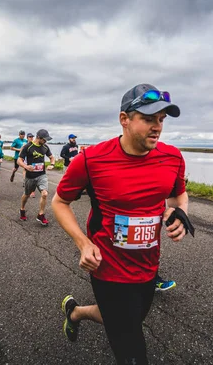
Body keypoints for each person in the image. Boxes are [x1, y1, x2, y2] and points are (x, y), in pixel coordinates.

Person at [52, 84, 189, 364]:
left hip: (148, 265)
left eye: (161, 120)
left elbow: (178, 195)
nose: (157, 127)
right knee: (130, 344)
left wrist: (179, 214)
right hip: (107, 268)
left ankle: (75, 313)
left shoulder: (172, 158)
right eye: (149, 119)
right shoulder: (91, 160)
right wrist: (83, 243)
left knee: (132, 316)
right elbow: (59, 202)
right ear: (124, 119)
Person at [17, 129, 56, 225]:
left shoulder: (45, 147)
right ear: (38, 137)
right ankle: (22, 209)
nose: (46, 141)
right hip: (30, 176)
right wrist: (26, 166)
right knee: (26, 195)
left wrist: (52, 164)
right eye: (44, 139)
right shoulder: (28, 146)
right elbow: (19, 160)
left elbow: (52, 157)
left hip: (42, 175)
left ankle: (41, 215)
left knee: (45, 194)